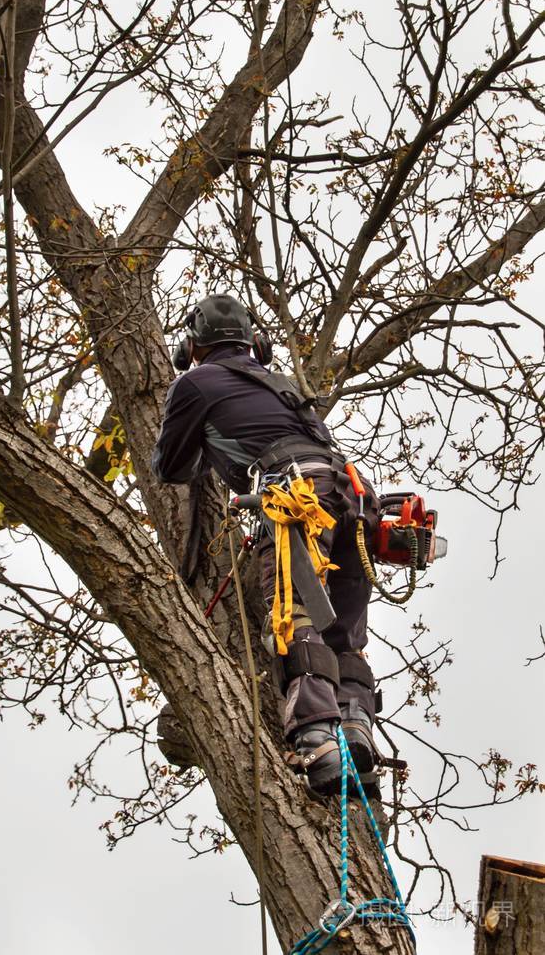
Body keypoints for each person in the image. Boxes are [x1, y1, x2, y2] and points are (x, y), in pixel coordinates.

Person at [151, 294, 381, 795]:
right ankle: (356, 725)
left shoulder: (194, 383)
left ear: (191, 347)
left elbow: (169, 467)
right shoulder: (283, 387)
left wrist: (210, 452)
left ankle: (318, 739)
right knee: (343, 630)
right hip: (352, 498)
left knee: (294, 615)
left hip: (295, 496)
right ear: (256, 342)